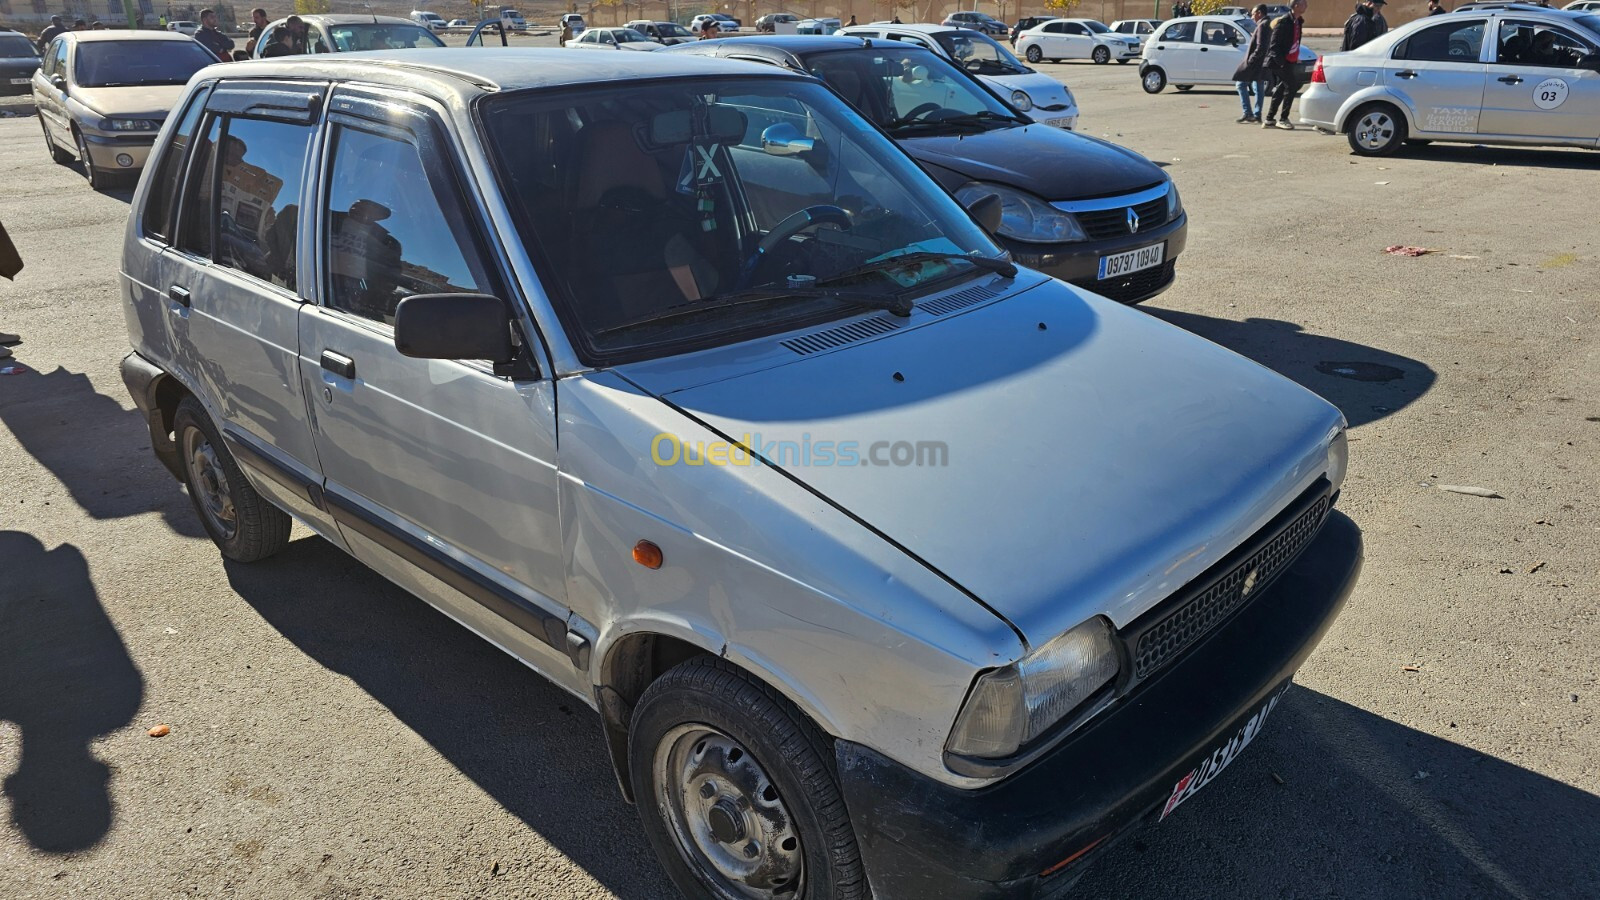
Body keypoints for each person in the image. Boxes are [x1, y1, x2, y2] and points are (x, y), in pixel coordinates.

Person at [1263, 0, 1306, 129]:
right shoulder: (1283, 22)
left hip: (1290, 61)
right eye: (1304, 3)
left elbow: (1294, 42)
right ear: (1296, 6)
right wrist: (1281, 63)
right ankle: (1283, 119)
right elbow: (1274, 46)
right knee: (1292, 86)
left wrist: (1295, 56)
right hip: (1279, 62)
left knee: (1282, 88)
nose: (1306, 6)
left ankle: (1269, 119)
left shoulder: (1298, 21)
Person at [1233, 5, 1272, 123]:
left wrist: (1251, 60)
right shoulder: (1266, 24)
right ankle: (1256, 114)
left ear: (1259, 13)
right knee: (1258, 87)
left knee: (1240, 85)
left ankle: (1248, 113)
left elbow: (1261, 46)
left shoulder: (1262, 25)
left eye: (1253, 13)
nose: (1252, 16)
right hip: (1261, 62)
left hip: (1256, 63)